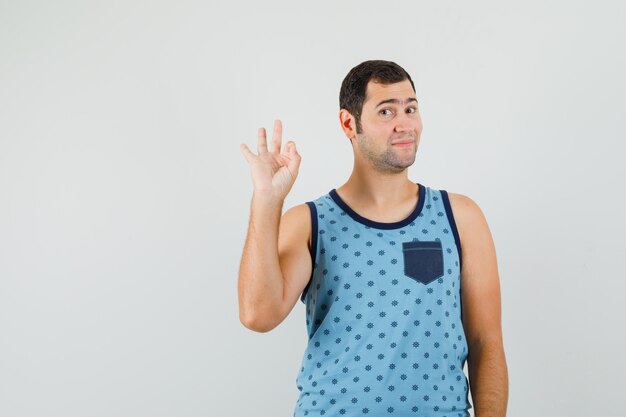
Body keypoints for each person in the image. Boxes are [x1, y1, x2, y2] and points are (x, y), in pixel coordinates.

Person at [238, 60, 508, 417]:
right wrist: (267, 200)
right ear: (349, 123)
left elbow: (485, 342)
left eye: (411, 108)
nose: (404, 124)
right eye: (386, 111)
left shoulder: (460, 217)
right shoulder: (309, 222)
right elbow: (258, 314)